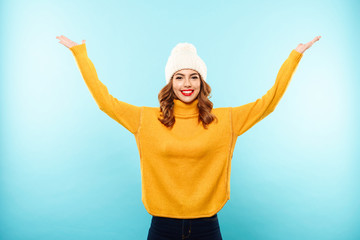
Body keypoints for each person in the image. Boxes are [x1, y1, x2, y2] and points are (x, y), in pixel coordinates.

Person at [56, 35, 321, 240]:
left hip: (207, 225)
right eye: (179, 76)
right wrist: (80, 54)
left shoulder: (226, 119)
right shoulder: (145, 119)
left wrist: (294, 56)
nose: (187, 83)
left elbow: (269, 102)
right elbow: (105, 102)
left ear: (202, 83)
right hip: (161, 225)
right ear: (170, 83)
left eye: (194, 77)